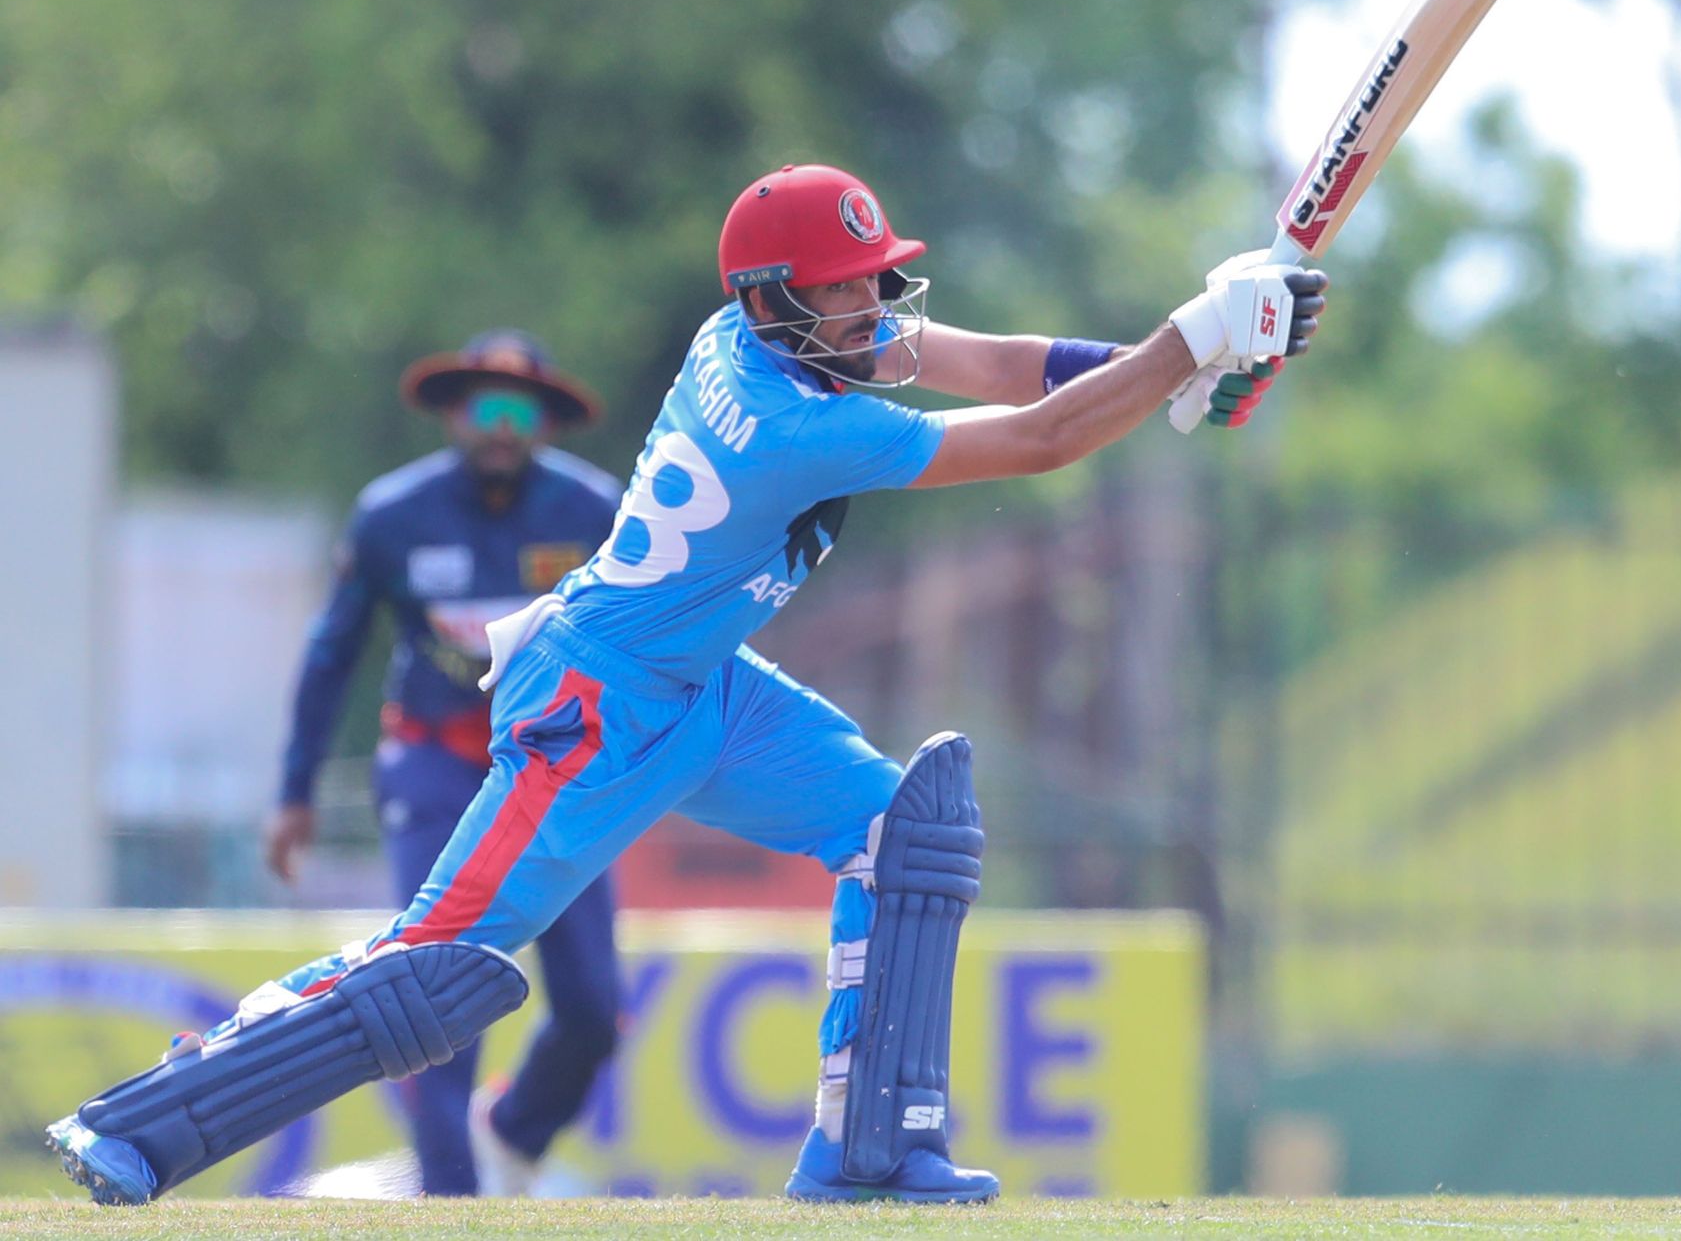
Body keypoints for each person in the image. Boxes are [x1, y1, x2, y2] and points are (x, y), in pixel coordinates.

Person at [47, 162, 1327, 1206]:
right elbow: (1043, 437)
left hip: (698, 683)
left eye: (881, 278)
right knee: (437, 964)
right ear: (782, 303)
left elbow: (1001, 367)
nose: (877, 307)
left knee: (902, 833)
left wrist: (1187, 367)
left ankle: (870, 1154)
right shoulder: (798, 424)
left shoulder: (763, 333)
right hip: (593, 707)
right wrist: (1189, 343)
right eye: (850, 292)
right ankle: (148, 1122)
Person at [265, 329, 625, 1196]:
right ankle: (452, 1204)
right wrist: (295, 793)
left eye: (520, 410)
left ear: (546, 423)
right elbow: (331, 653)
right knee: (437, 993)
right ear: (452, 416)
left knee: (591, 1009)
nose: (501, 428)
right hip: (435, 765)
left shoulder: (594, 513)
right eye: (484, 408)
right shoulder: (394, 516)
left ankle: (512, 1131)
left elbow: (642, 647)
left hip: (555, 775)